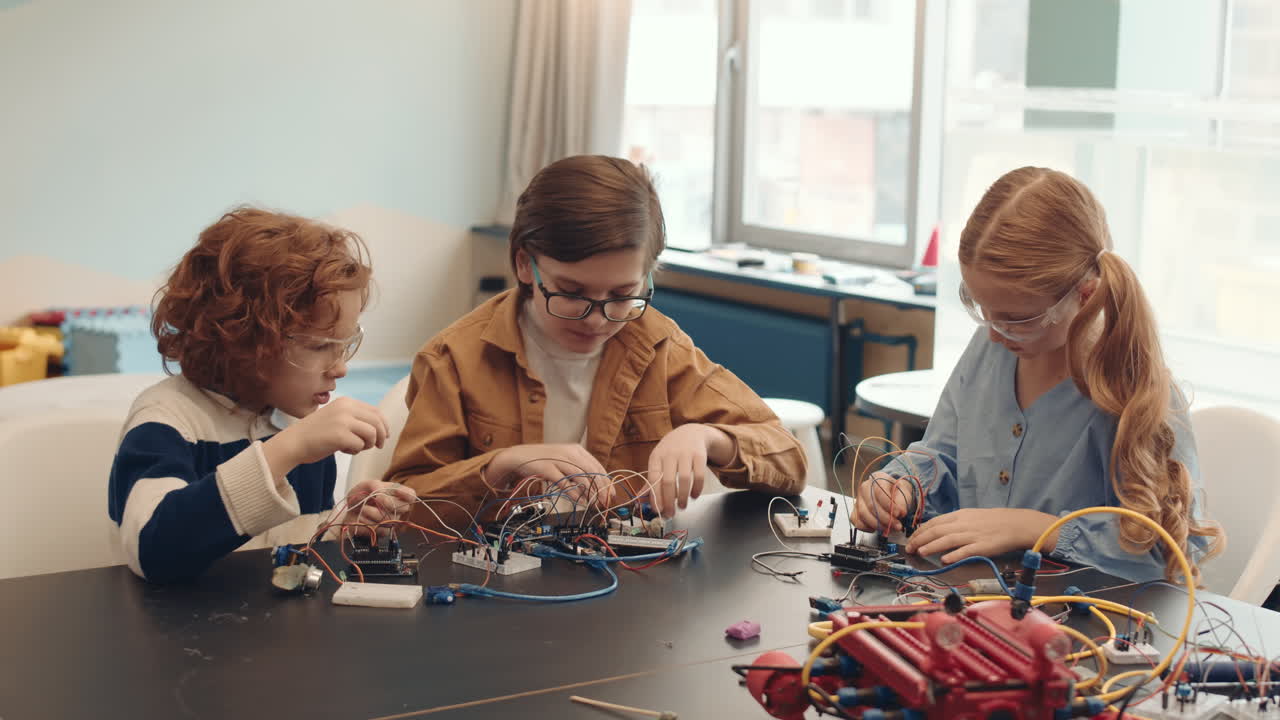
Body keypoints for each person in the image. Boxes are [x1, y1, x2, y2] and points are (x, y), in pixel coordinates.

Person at [384, 155, 807, 528]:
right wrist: (500, 466)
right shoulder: (453, 358)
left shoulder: (660, 347)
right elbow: (401, 507)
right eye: (571, 293)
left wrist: (708, 437)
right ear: (525, 265)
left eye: (623, 295)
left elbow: (789, 459)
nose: (598, 319)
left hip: (626, 580)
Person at [852, 167, 1222, 583]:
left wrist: (1040, 529)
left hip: (1086, 612)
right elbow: (945, 458)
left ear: (1085, 295)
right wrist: (903, 486)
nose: (994, 333)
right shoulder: (989, 348)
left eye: (1015, 319)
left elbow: (1169, 548)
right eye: (980, 309)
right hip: (978, 598)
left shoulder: (1133, 389)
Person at [108, 207, 416, 583]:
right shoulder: (165, 421)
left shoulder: (298, 422)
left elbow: (291, 555)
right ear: (243, 341)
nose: (340, 367)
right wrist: (288, 449)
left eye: (345, 345)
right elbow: (154, 550)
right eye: (321, 346)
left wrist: (343, 529)